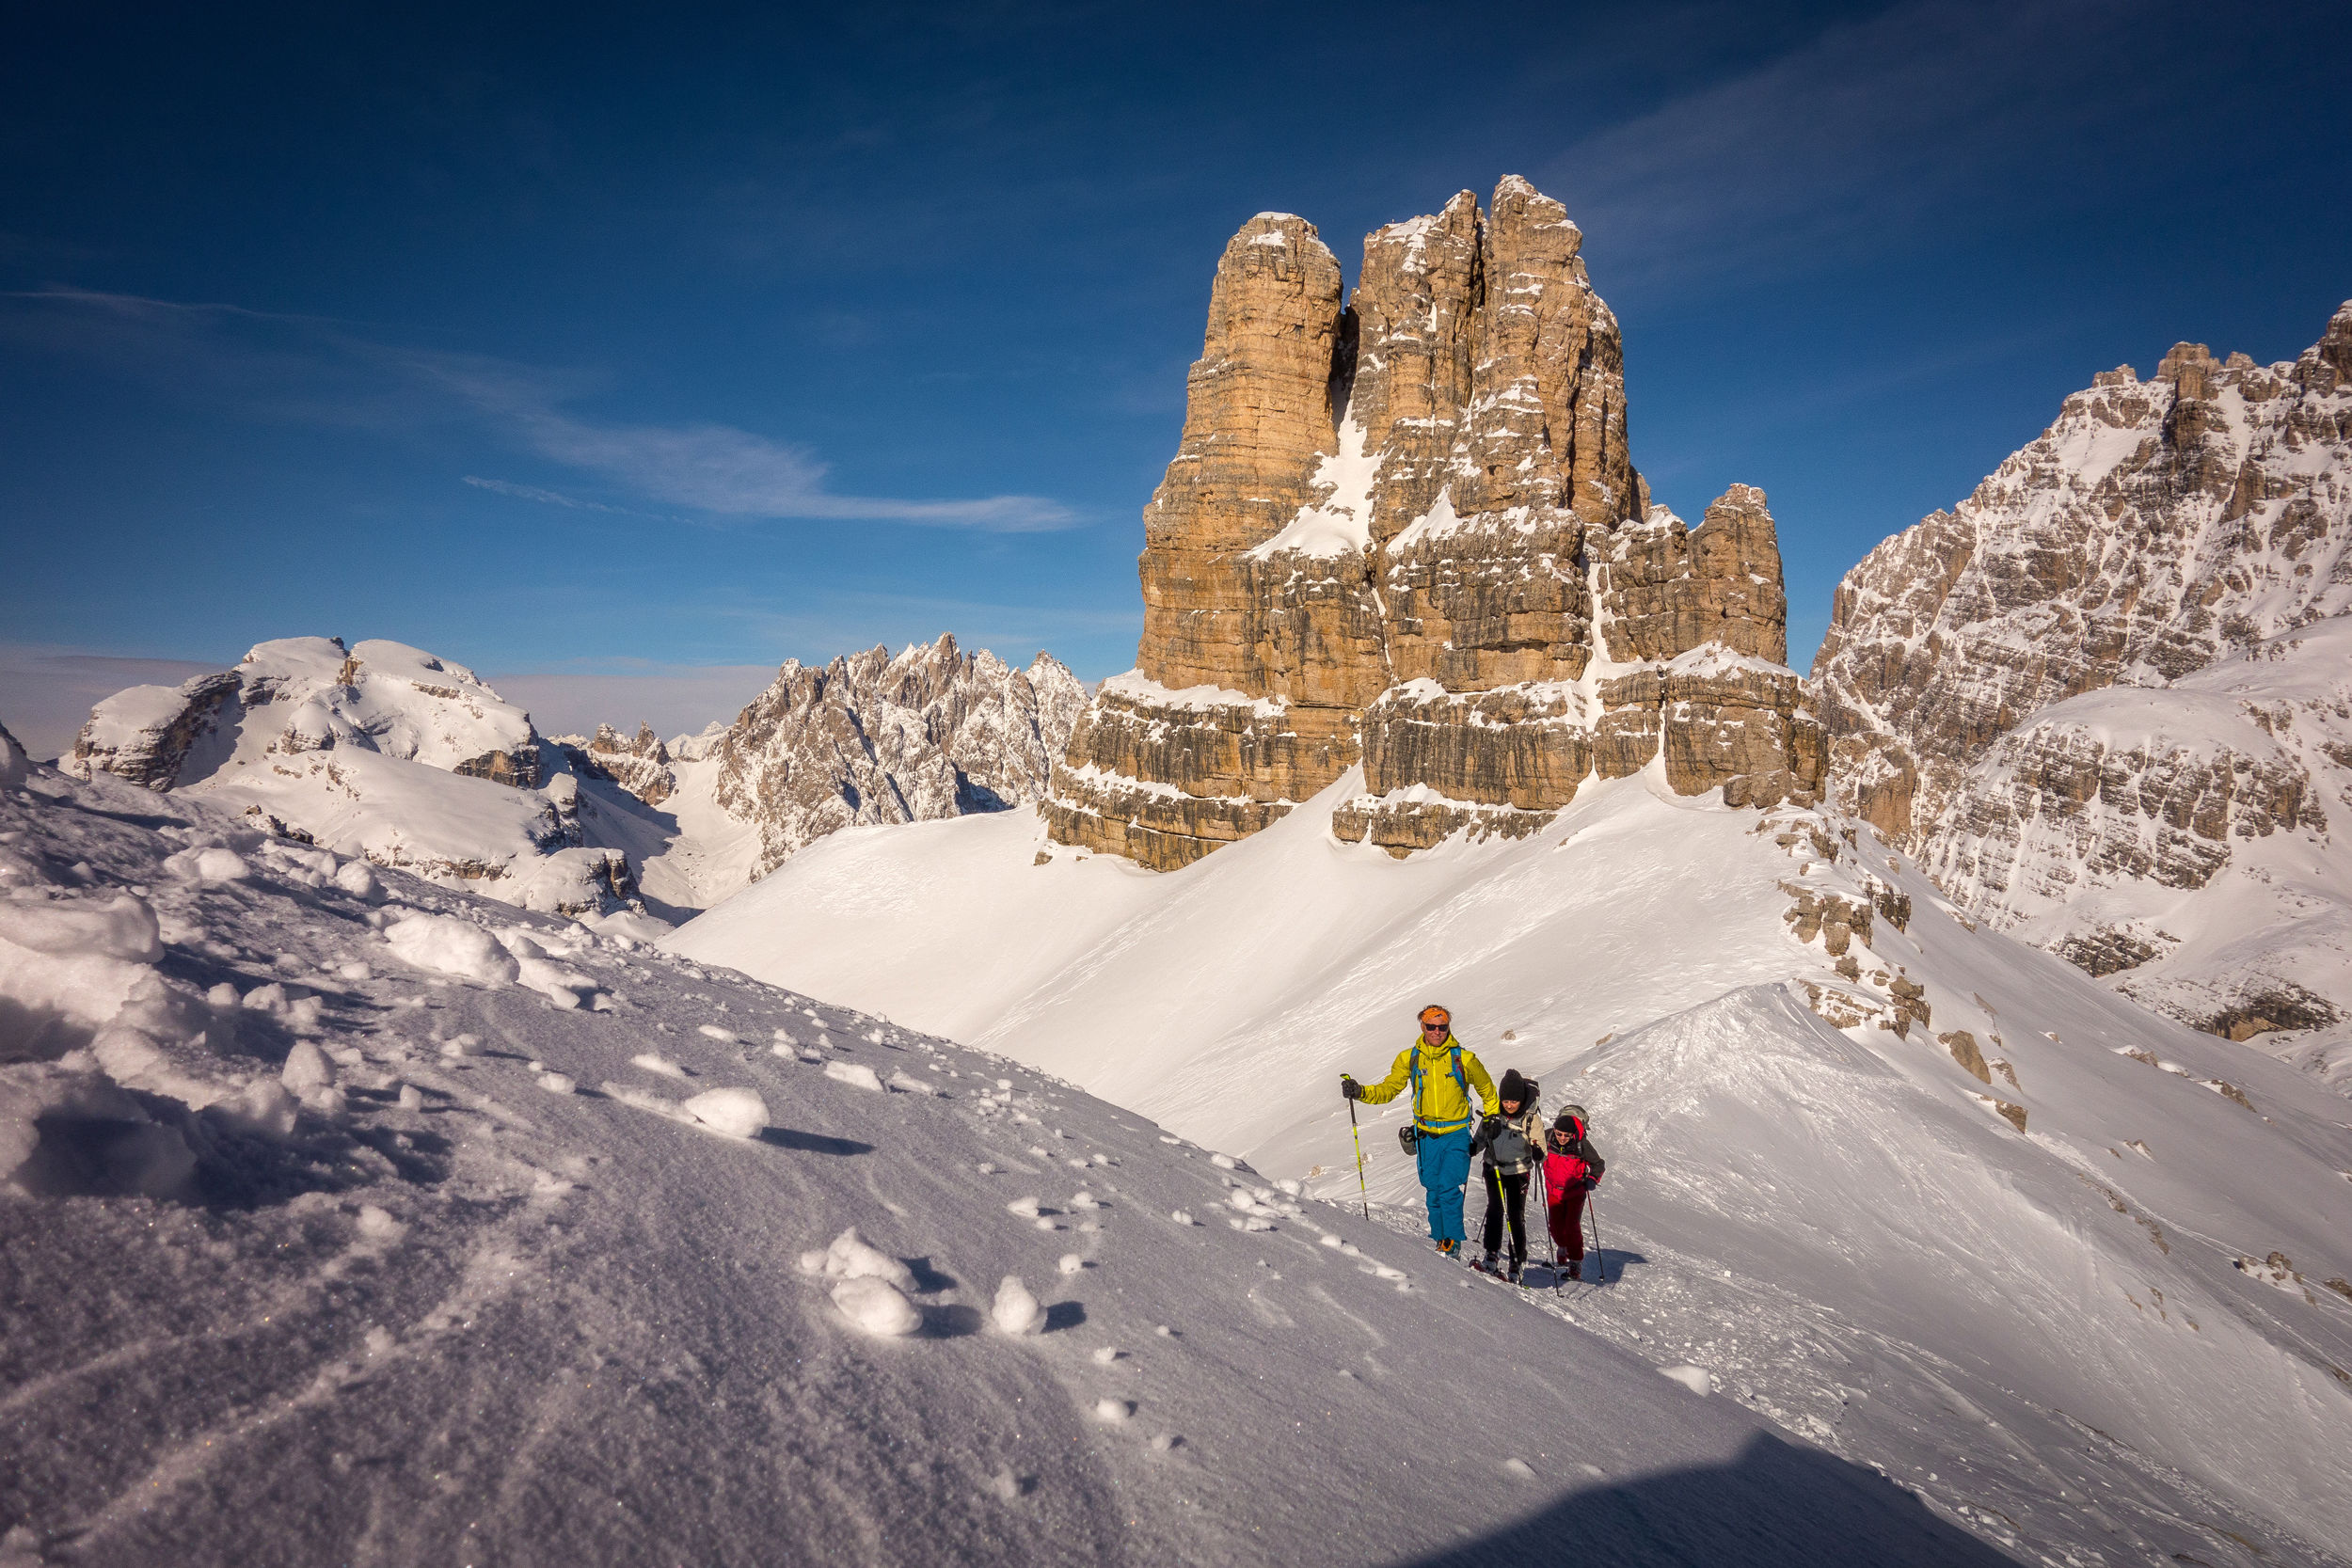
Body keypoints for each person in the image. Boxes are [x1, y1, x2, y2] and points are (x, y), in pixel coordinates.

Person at [1341, 1005, 1498, 1258]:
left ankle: (1451, 1241)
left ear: (1448, 1027)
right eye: (1431, 1026)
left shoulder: (1464, 1059)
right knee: (1433, 1189)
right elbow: (1389, 1089)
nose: (1437, 1032)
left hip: (1456, 1133)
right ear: (1422, 1027)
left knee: (1448, 1187)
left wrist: (1491, 1118)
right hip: (1425, 1135)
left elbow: (1488, 1090)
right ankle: (1439, 1240)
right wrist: (1360, 1092)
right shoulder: (1409, 1058)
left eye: (1442, 1027)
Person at [1470, 1069, 1544, 1282]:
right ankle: (1491, 1254)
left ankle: (1517, 1261)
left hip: (1518, 1172)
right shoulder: (1493, 1114)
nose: (1509, 1105)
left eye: (1514, 1101)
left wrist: (1538, 1151)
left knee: (1515, 1215)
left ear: (1521, 1100)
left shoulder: (1531, 1120)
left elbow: (1541, 1148)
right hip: (1493, 1168)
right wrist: (1474, 1146)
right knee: (1494, 1209)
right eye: (1506, 1101)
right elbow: (1482, 1137)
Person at [1542, 1105, 1607, 1280]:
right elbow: (1531, 1144)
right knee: (1555, 1227)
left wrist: (1592, 1180)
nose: (1562, 1138)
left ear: (1573, 1135)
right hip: (1553, 1191)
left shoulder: (1581, 1145)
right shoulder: (1547, 1137)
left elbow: (1598, 1164)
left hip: (1575, 1192)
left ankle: (1575, 1263)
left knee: (1571, 1227)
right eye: (1559, 1134)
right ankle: (1562, 1248)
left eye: (1566, 1135)